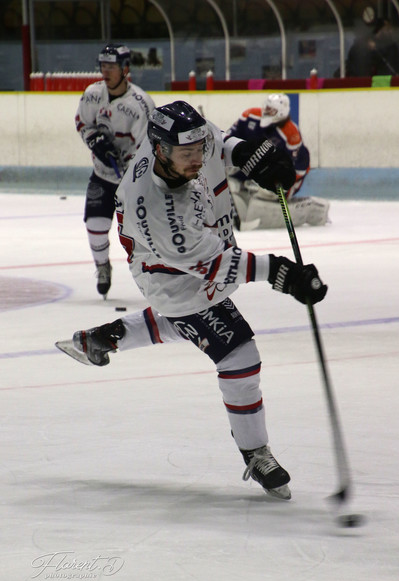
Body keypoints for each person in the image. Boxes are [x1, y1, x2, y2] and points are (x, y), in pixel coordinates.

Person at [57, 101, 328, 500]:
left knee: (189, 326)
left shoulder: (183, 136)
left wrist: (250, 155)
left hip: (198, 252)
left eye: (197, 149)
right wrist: (284, 274)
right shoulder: (154, 206)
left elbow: (218, 140)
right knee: (238, 355)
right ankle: (255, 452)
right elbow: (215, 264)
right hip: (172, 281)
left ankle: (103, 337)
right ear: (161, 150)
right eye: (187, 155)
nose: (198, 159)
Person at [75, 43, 155, 298]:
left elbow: (147, 148)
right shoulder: (92, 94)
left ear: (125, 68)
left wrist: (129, 167)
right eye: (103, 66)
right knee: (95, 225)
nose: (106, 71)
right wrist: (95, 141)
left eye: (112, 66)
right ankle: (102, 266)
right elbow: (83, 122)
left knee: (142, 232)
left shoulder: (141, 104)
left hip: (133, 182)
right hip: (102, 175)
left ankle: (153, 275)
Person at [225, 93, 329, 229]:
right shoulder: (250, 116)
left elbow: (298, 168)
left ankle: (311, 210)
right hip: (251, 169)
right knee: (228, 185)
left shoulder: (290, 133)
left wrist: (281, 183)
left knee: (262, 197)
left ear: (281, 112)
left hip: (276, 177)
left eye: (271, 110)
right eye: (266, 108)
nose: (266, 112)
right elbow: (229, 139)